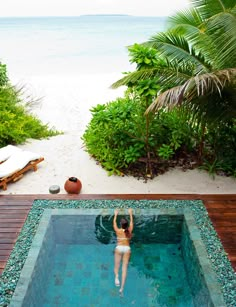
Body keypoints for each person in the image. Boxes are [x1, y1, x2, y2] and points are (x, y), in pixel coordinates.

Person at [113, 208, 133, 294]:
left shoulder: (118, 231)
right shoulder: (129, 230)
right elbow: (132, 222)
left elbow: (113, 223)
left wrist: (115, 214)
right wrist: (130, 213)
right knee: (124, 268)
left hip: (119, 248)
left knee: (117, 265)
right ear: (127, 225)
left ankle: (116, 277)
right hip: (127, 249)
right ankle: (122, 288)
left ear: (121, 225)